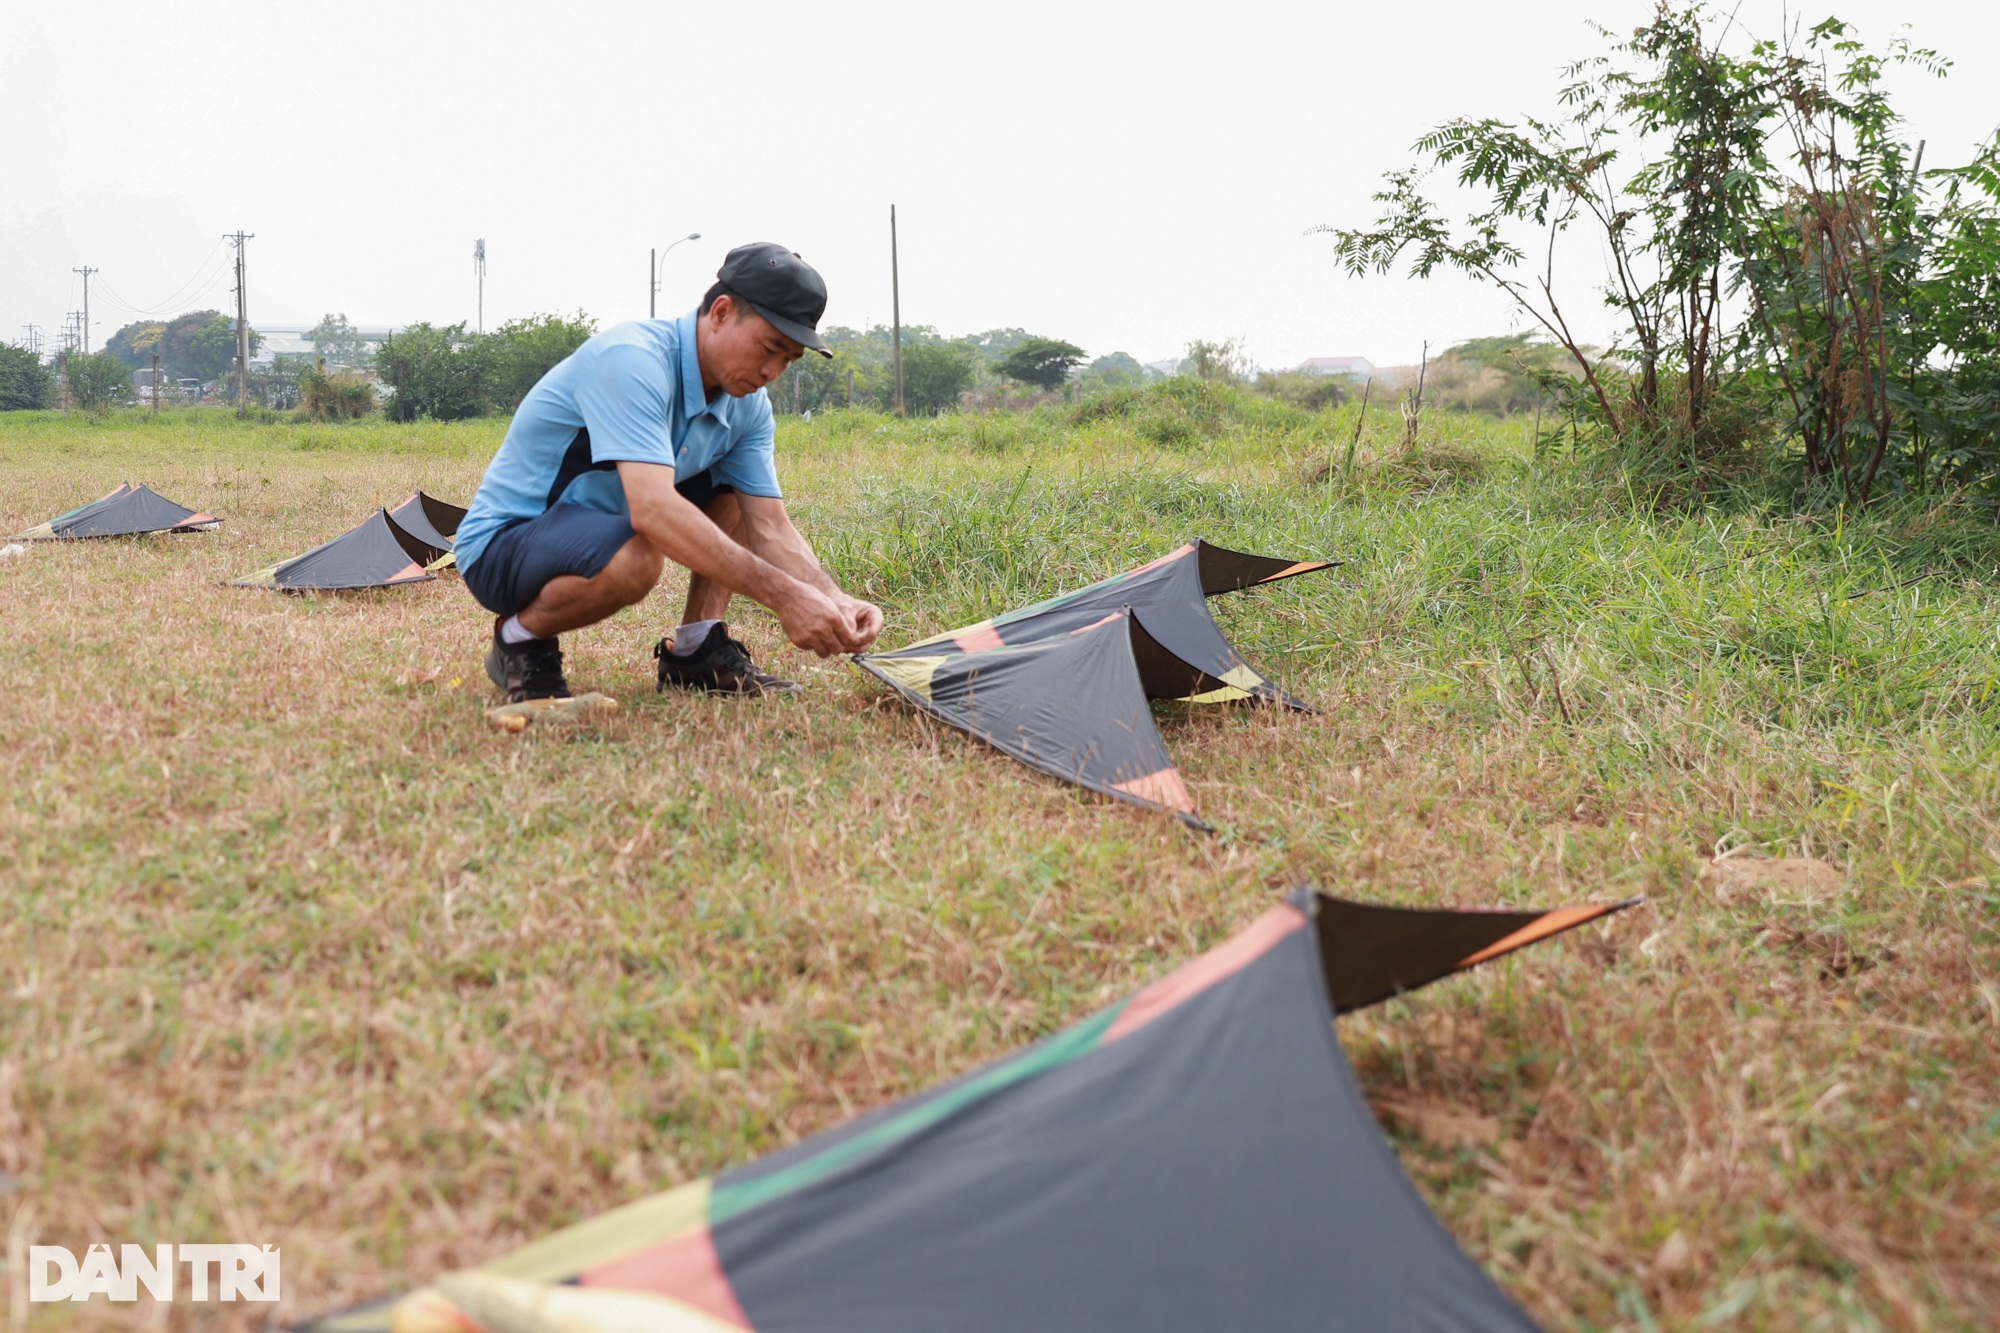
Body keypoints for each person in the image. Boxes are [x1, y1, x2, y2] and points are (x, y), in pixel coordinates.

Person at [454, 242, 884, 702]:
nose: (772, 371)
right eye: (769, 347)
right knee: (637, 558)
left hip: (594, 532)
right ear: (720, 312)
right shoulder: (633, 360)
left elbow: (770, 527)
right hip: (505, 545)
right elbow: (653, 512)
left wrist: (831, 595)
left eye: (788, 359)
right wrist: (786, 597)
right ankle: (520, 640)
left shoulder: (748, 407)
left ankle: (697, 650)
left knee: (733, 490)